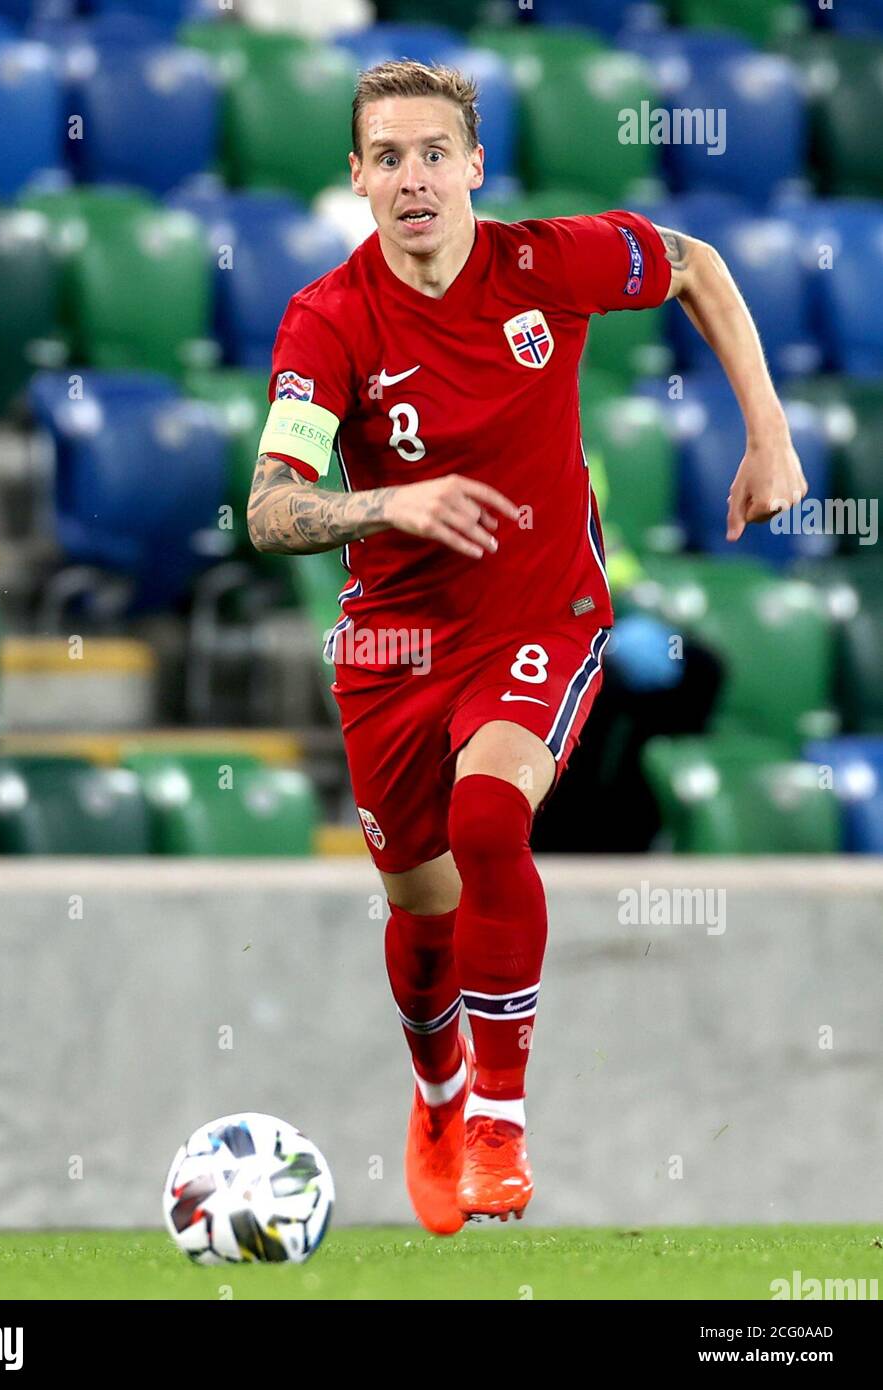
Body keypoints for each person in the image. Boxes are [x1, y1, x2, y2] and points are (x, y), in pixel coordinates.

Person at [246, 61, 807, 1231]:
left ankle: (498, 1120)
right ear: (357, 177)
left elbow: (695, 262)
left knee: (489, 818)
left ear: (474, 166)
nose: (413, 178)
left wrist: (767, 428)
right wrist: (386, 505)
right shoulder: (328, 319)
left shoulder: (548, 264)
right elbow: (271, 507)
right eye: (388, 157)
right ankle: (439, 1092)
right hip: (393, 643)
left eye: (433, 153)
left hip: (538, 617)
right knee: (422, 912)